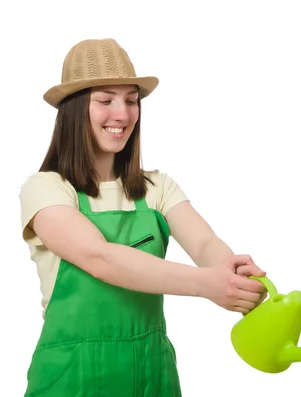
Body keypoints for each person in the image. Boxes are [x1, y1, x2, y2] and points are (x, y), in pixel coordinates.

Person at [18, 38, 268, 397]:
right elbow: (99, 257)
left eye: (131, 100)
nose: (122, 114)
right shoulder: (47, 189)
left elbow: (204, 243)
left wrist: (231, 274)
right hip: (73, 377)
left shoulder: (156, 187)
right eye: (105, 100)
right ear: (74, 110)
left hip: (152, 374)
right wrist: (207, 284)